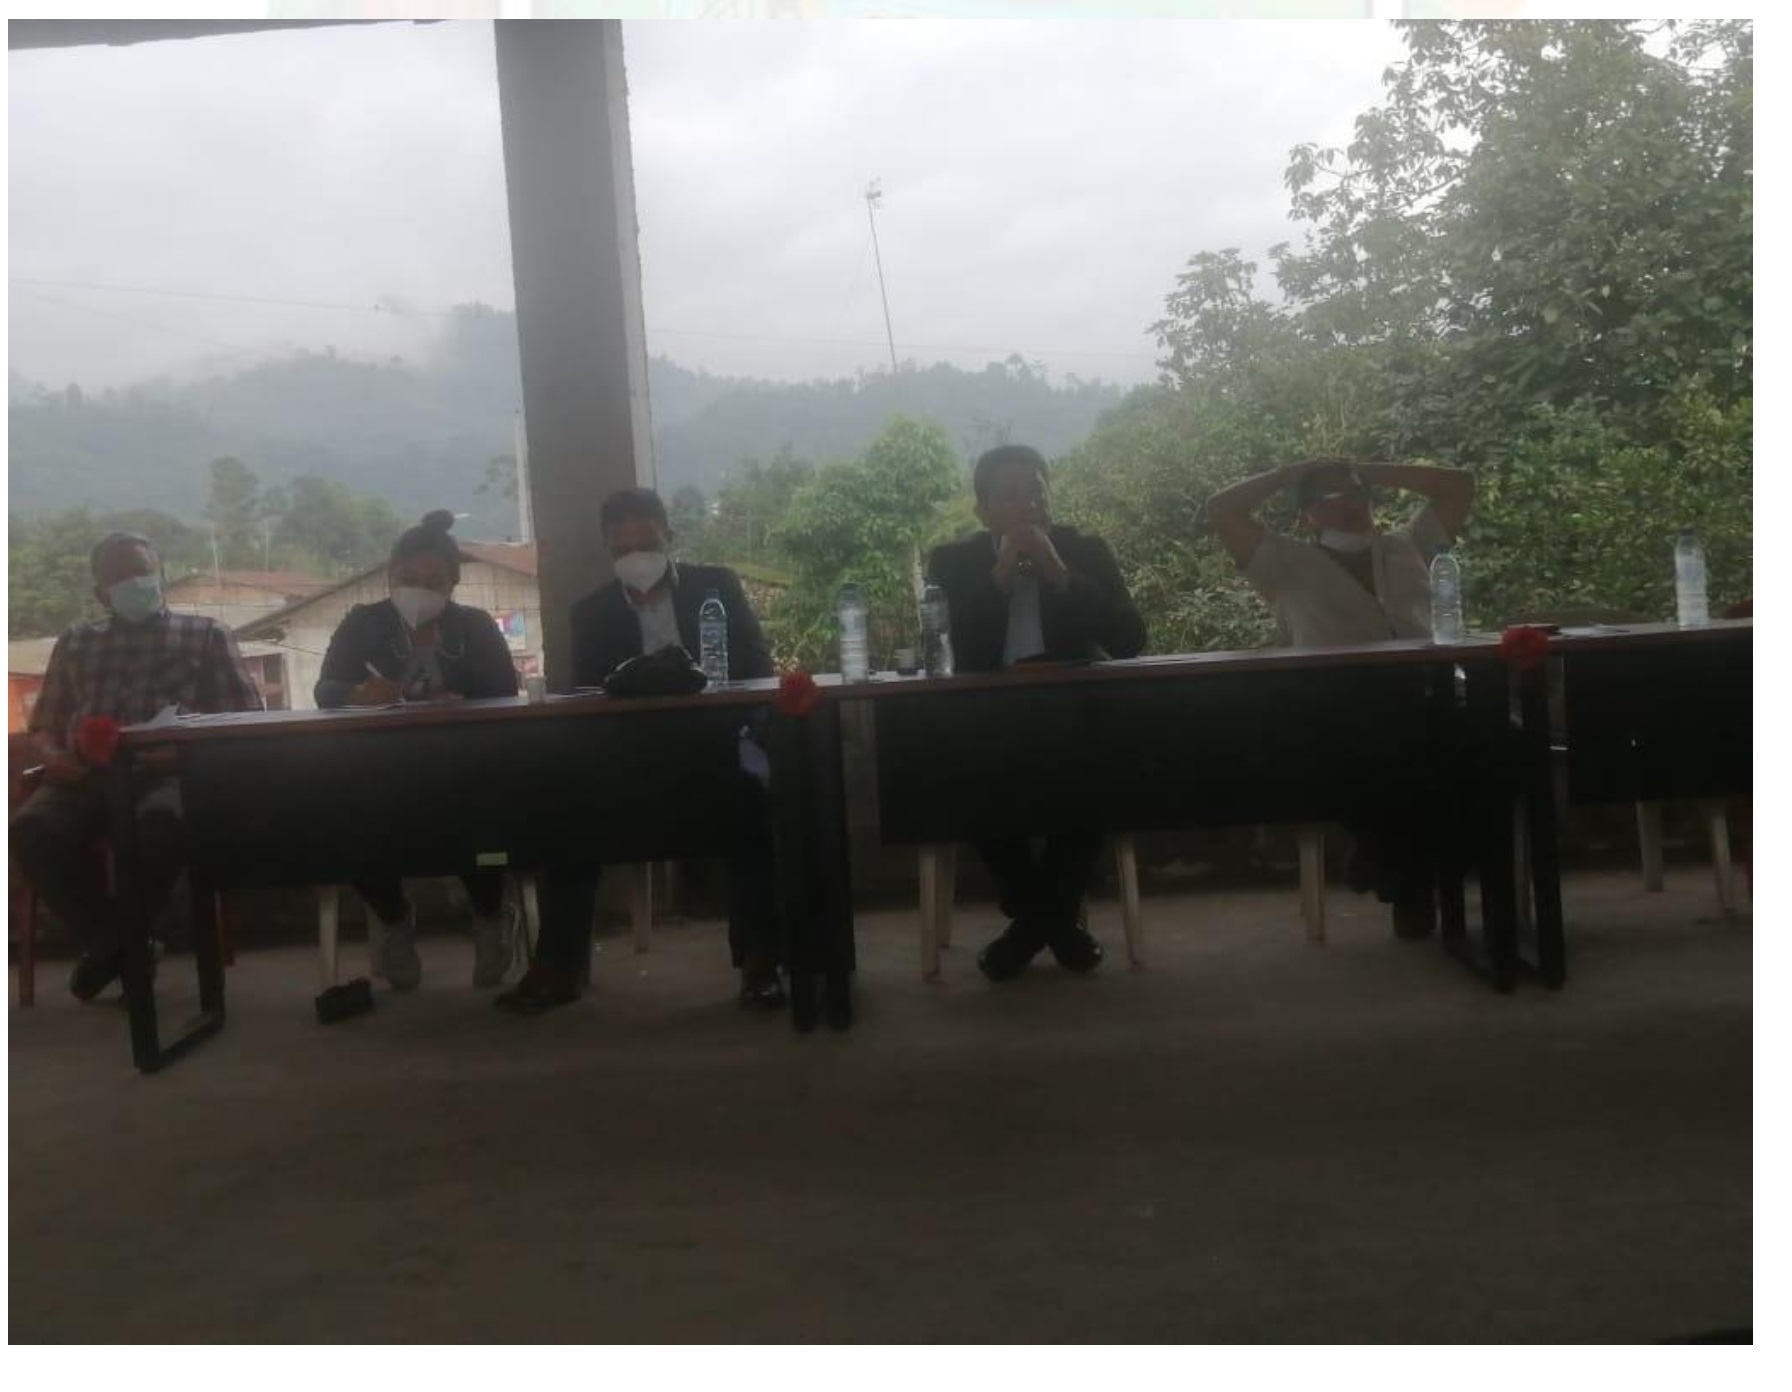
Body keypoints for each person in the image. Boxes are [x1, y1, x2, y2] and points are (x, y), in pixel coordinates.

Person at [496, 486, 784, 1015]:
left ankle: (761, 962)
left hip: (713, 749)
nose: (636, 556)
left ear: (669, 536)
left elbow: (758, 669)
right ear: (608, 549)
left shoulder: (715, 587)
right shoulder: (592, 612)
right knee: (565, 811)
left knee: (753, 802)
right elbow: (586, 698)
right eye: (623, 548)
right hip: (627, 762)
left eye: (647, 543)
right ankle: (557, 967)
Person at [1206, 456, 1476, 936]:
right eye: (1329, 498)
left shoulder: (1411, 543)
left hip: (1427, 696)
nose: (1347, 504)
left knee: (1484, 746)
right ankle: (1405, 877)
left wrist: (1365, 469)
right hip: (1336, 712)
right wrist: (1286, 475)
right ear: (1306, 516)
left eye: (1355, 493)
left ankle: (1385, 858)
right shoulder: (1283, 562)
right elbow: (1223, 509)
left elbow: (1458, 485)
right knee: (1375, 756)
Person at [10, 530, 264, 1002]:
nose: (136, 582)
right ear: (101, 593)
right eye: (121, 576)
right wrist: (53, 757)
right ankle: (119, 943)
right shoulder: (76, 641)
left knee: (162, 825)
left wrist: (187, 755)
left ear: (160, 574)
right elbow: (43, 723)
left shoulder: (206, 634)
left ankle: (115, 949)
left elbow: (243, 720)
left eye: (143, 571)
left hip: (170, 770)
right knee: (31, 829)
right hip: (85, 775)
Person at [926, 444, 1148, 982]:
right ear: (982, 511)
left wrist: (1058, 572)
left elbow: (1129, 641)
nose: (1028, 505)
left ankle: (1032, 926)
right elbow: (950, 650)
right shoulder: (952, 562)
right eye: (1010, 496)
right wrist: (1001, 573)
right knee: (960, 780)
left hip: (1076, 722)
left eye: (1037, 493)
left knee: (1100, 773)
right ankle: (1054, 925)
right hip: (988, 727)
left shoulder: (1084, 551)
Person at [314, 509, 521, 990]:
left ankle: (490, 915)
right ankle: (393, 919)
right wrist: (356, 693)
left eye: (434, 582)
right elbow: (326, 689)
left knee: (480, 822)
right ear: (390, 576)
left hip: (463, 767)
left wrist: (463, 702)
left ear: (453, 584)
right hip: (378, 769)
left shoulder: (475, 627)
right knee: (347, 824)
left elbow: (504, 694)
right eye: (408, 580)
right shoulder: (362, 624)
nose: (419, 591)